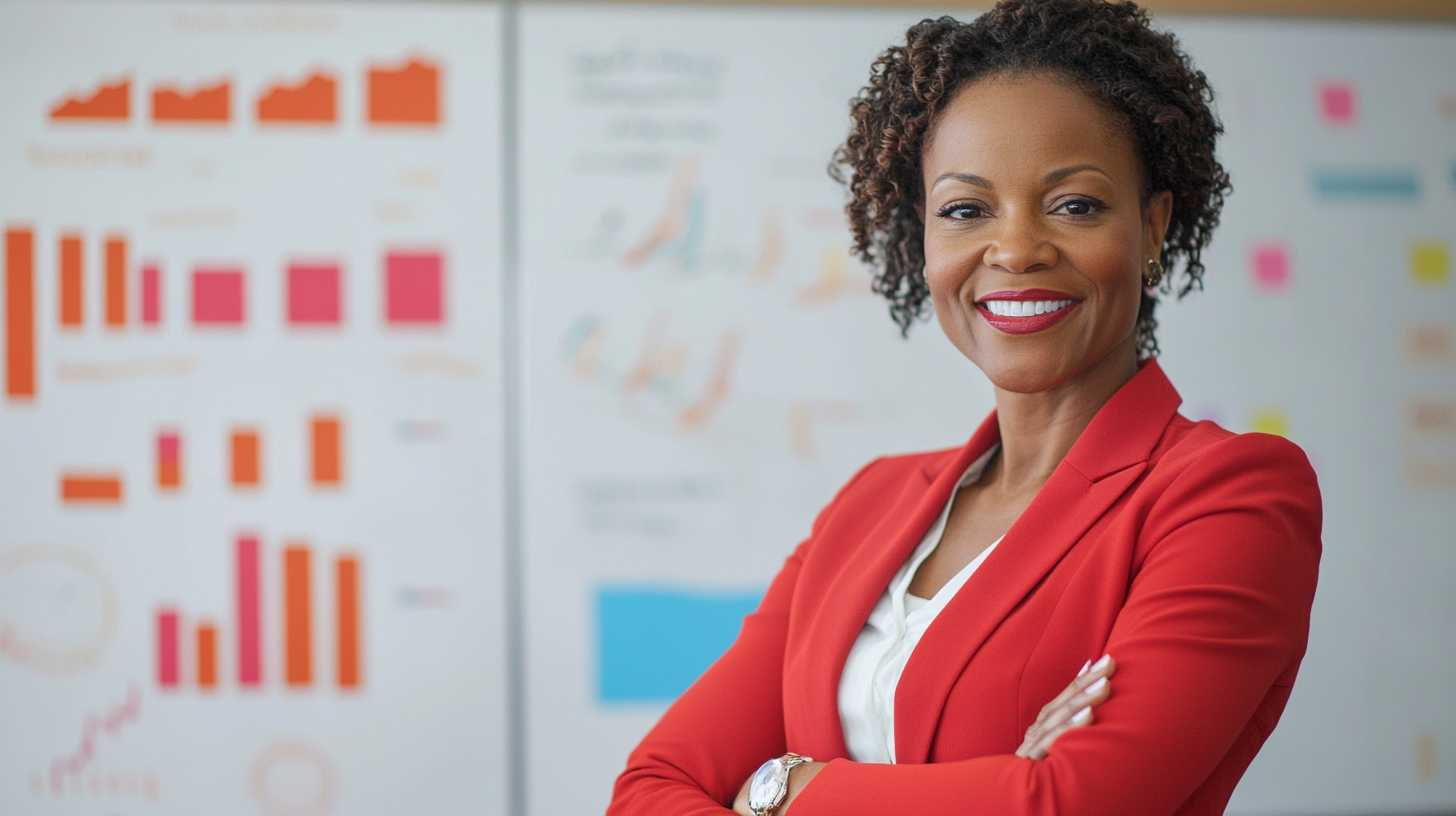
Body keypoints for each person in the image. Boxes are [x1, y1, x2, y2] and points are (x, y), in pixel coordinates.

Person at [606, 0, 1322, 813]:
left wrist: (783, 788)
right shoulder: (867, 507)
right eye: (965, 210)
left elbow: (1066, 805)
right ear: (925, 239)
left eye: (1074, 204)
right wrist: (999, 783)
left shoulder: (1229, 497)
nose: (1015, 249)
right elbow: (649, 791)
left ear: (1152, 225)